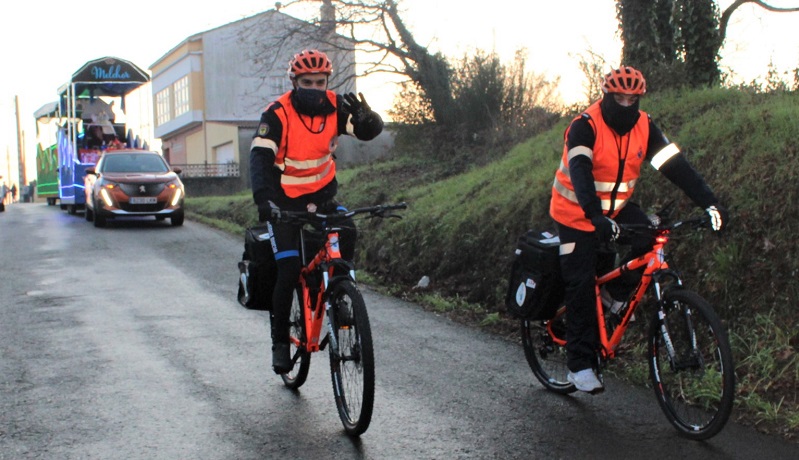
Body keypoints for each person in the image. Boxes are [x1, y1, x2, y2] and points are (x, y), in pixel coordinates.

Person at [549, 66, 728, 393]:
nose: (626, 104)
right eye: (619, 98)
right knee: (579, 281)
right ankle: (579, 365)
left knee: (648, 236)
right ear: (606, 96)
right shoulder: (584, 127)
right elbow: (580, 172)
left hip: (614, 210)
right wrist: (595, 218)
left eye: (633, 99)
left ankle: (613, 297)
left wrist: (710, 203)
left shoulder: (645, 127)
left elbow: (678, 169)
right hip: (576, 213)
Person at [250, 49, 384, 374]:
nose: (313, 87)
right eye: (306, 81)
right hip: (284, 204)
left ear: (327, 81)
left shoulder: (336, 107)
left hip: (322, 198)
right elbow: (259, 160)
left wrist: (371, 121)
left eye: (319, 81)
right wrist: (264, 201)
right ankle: (281, 342)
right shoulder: (277, 114)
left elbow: (365, 131)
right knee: (289, 269)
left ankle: (341, 294)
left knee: (348, 232)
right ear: (294, 82)